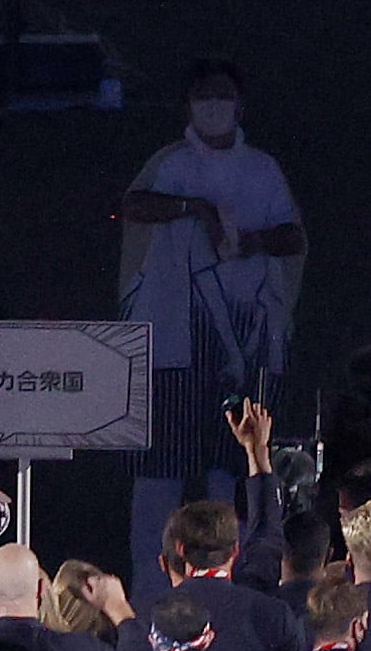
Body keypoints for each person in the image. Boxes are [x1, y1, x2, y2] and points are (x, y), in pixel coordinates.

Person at [118, 66, 302, 568]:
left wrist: (251, 243)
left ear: (241, 106)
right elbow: (134, 205)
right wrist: (191, 208)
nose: (214, 105)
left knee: (233, 467)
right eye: (203, 96)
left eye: (223, 96)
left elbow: (293, 237)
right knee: (161, 469)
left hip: (245, 339)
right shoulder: (171, 164)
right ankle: (151, 584)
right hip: (175, 343)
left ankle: (230, 578)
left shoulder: (261, 170)